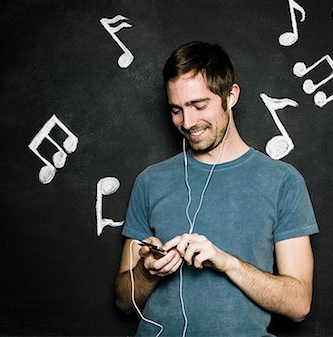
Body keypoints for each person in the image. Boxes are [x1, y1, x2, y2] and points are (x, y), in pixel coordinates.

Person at [115, 41, 319, 337]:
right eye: (176, 110)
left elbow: (299, 305)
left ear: (230, 95)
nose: (188, 122)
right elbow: (123, 302)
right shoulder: (150, 181)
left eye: (198, 106)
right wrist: (147, 272)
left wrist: (226, 263)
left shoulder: (283, 182)